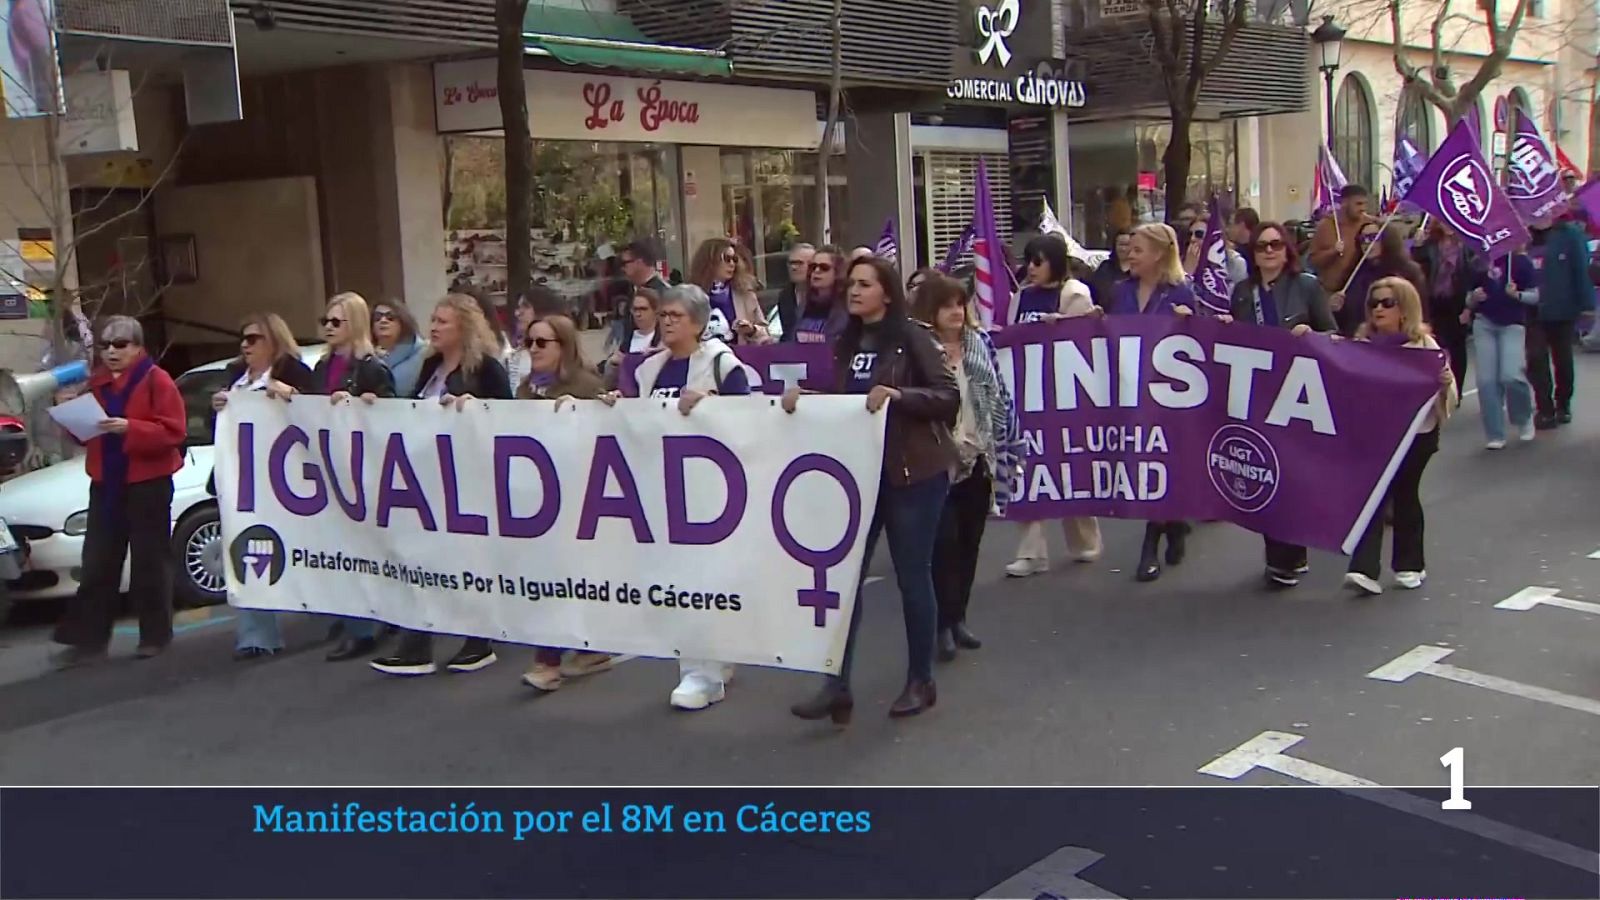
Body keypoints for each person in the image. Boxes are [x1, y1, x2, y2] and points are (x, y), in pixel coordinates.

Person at [788, 256, 958, 725]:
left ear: (887, 292)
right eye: (852, 285)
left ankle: (921, 679)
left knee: (912, 577)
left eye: (865, 284)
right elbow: (848, 402)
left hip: (913, 473)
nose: (855, 291)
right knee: (845, 580)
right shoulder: (847, 342)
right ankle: (836, 686)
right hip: (860, 475)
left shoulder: (912, 337)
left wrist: (901, 397)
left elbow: (948, 396)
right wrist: (809, 400)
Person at [600, 285, 752, 710]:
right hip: (664, 488)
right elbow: (642, 419)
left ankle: (702, 675)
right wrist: (619, 406)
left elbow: (751, 418)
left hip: (710, 490)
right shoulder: (651, 368)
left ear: (699, 323)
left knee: (702, 578)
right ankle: (711, 660)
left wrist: (712, 404)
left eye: (676, 316)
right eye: (663, 315)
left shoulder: (722, 364)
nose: (666, 322)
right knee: (681, 579)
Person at [369, 294, 511, 677]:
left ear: (464, 326)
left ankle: (478, 641)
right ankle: (416, 645)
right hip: (427, 480)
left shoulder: (486, 369)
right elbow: (412, 412)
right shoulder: (430, 366)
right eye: (432, 319)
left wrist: (474, 409)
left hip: (469, 481)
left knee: (468, 560)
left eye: (443, 321)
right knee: (421, 558)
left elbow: (510, 420)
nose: (433, 327)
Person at [50, 316, 186, 668]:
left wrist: (131, 428)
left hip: (147, 482)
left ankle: (155, 636)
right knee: (97, 562)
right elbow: (85, 435)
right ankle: (89, 642)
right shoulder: (95, 383)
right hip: (106, 482)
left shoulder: (157, 380)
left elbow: (174, 432)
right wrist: (67, 412)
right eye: (105, 345)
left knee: (149, 561)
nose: (111, 351)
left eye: (121, 345)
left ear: (138, 348)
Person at [1221, 221, 1336, 587]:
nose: (1269, 251)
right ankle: (1279, 555)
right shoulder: (1243, 292)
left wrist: (1312, 336)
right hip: (1258, 392)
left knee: (1292, 474)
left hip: (1297, 393)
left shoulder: (1306, 286)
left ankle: (1292, 553)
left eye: (1275, 245)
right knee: (1264, 470)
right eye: (1261, 246)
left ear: (1287, 251)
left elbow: (1333, 333)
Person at [913, 274, 1015, 661]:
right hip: (938, 459)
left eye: (960, 304)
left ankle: (958, 618)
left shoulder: (979, 343)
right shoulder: (920, 349)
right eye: (947, 305)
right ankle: (940, 625)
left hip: (978, 455)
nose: (956, 312)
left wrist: (1007, 440)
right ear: (931, 310)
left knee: (969, 544)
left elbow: (998, 393)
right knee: (944, 545)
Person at [516, 315, 615, 692]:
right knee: (553, 576)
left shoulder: (586, 386)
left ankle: (548, 662)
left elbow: (607, 432)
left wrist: (585, 412)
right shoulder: (525, 389)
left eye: (543, 342)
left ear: (564, 346)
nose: (534, 349)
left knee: (558, 576)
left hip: (577, 497)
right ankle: (589, 649)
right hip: (536, 498)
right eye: (530, 342)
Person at [211, 313, 316, 660]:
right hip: (246, 483)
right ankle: (256, 636)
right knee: (250, 548)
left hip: (290, 481)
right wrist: (220, 407)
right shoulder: (235, 378)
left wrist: (292, 396)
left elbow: (320, 417)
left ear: (274, 341)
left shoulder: (294, 373)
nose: (245, 345)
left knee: (312, 548)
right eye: (243, 339)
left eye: (254, 338)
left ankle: (350, 622)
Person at [1344, 277, 1456, 595]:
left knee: (1405, 494)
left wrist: (1444, 382)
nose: (1379, 309)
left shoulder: (1424, 345)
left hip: (1416, 435)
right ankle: (1363, 568)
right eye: (1374, 303)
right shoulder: (1362, 343)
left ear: (1405, 308)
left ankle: (1410, 565)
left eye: (1387, 303)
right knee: (1373, 495)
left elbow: (1449, 398)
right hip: (1376, 435)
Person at [302, 292, 397, 661]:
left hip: (363, 469)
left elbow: (394, 416)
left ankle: (368, 626)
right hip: (330, 465)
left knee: (364, 548)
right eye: (324, 321)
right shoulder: (322, 367)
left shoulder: (371, 367)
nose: (328, 327)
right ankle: (356, 620)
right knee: (341, 548)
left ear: (353, 324)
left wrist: (367, 405)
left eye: (336, 322)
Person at [1003, 234, 1103, 577]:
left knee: (1067, 468)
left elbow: (1084, 341)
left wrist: (1060, 326)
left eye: (1038, 261)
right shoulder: (1022, 297)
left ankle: (1084, 540)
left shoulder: (1074, 293)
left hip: (1064, 397)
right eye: (1028, 261)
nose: (1031, 268)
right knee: (1029, 471)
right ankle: (1032, 553)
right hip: (1028, 394)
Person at [1107, 223, 1195, 582]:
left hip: (1168, 397)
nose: (1129, 255)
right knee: (1145, 463)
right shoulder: (1121, 291)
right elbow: (1109, 334)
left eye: (1138, 249)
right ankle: (1174, 523)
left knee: (1159, 464)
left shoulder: (1180, 293)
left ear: (1159, 254)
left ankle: (1150, 546)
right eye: (1129, 248)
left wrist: (1190, 323)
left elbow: (1200, 346)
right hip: (1132, 393)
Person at [1465, 248, 1538, 449]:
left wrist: (1518, 294)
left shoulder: (1521, 262)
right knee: (1486, 381)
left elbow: (1535, 296)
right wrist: (1474, 297)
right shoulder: (1479, 263)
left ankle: (1523, 417)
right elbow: (1468, 298)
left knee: (1511, 375)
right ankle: (1494, 433)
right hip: (1484, 323)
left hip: (1513, 324)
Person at [1526, 214, 1593, 428]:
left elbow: (1581, 271)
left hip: (1562, 308)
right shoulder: (1523, 235)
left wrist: (1587, 305)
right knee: (1536, 359)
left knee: (1562, 359)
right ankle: (1544, 409)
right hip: (1532, 310)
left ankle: (1563, 403)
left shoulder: (1569, 234)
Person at [1413, 221, 1475, 393]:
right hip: (1434, 301)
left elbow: (1472, 276)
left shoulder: (1466, 246)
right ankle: (1438, 390)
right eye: (1443, 222)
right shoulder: (1430, 244)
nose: (1447, 226)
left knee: (1457, 347)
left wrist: (1469, 308)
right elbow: (1417, 268)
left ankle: (1457, 391)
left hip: (1457, 301)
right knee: (1436, 345)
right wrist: (1417, 247)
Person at [1335, 221, 1427, 336]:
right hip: (1357, 339)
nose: (1367, 243)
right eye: (1362, 239)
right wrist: (1336, 308)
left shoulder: (1407, 272)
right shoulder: (1354, 272)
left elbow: (1418, 312)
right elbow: (1345, 318)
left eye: (1373, 237)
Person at [688, 238, 769, 345]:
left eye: (734, 259)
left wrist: (752, 330)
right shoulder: (689, 296)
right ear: (711, 261)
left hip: (738, 353)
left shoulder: (745, 294)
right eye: (727, 259)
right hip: (702, 353)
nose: (732, 264)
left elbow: (765, 335)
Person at [1309, 185, 1374, 296]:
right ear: (1344, 203)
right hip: (1331, 292)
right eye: (1358, 204)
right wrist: (1333, 252)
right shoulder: (1326, 225)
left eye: (1365, 204)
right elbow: (1313, 261)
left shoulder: (1370, 224)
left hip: (1362, 292)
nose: (1363, 208)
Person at [783, 245, 850, 345]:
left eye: (824, 268)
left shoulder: (847, 305)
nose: (816, 271)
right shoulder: (804, 303)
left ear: (838, 272)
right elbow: (792, 338)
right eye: (813, 267)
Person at [372, 300, 426, 397]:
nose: (383, 320)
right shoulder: (365, 355)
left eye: (390, 317)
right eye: (377, 317)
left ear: (403, 321)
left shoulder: (422, 352)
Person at [775, 243, 816, 337]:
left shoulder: (824, 295)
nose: (793, 267)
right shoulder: (785, 296)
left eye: (799, 263)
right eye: (791, 263)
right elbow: (788, 333)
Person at [1090, 228, 1133, 307]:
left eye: (1127, 245)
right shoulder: (1105, 268)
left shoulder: (1139, 270)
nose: (1123, 249)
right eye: (1121, 244)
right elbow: (1093, 293)